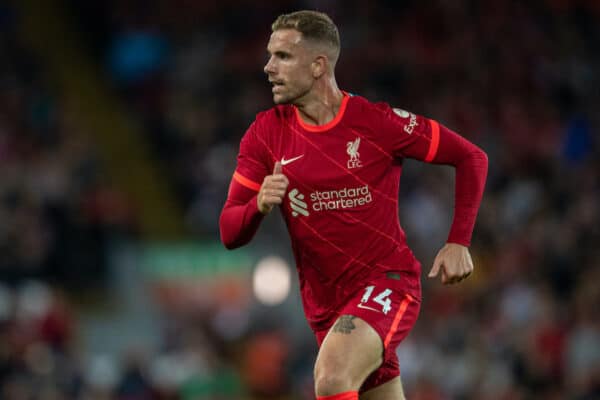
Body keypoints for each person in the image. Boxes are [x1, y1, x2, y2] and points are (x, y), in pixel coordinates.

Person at [219, 10, 488, 400]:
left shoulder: (375, 123)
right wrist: (258, 206)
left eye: (282, 56)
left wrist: (458, 241)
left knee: (331, 377)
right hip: (326, 307)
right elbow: (229, 231)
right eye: (269, 55)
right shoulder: (265, 134)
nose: (268, 67)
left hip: (387, 284)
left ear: (317, 65)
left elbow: (471, 157)